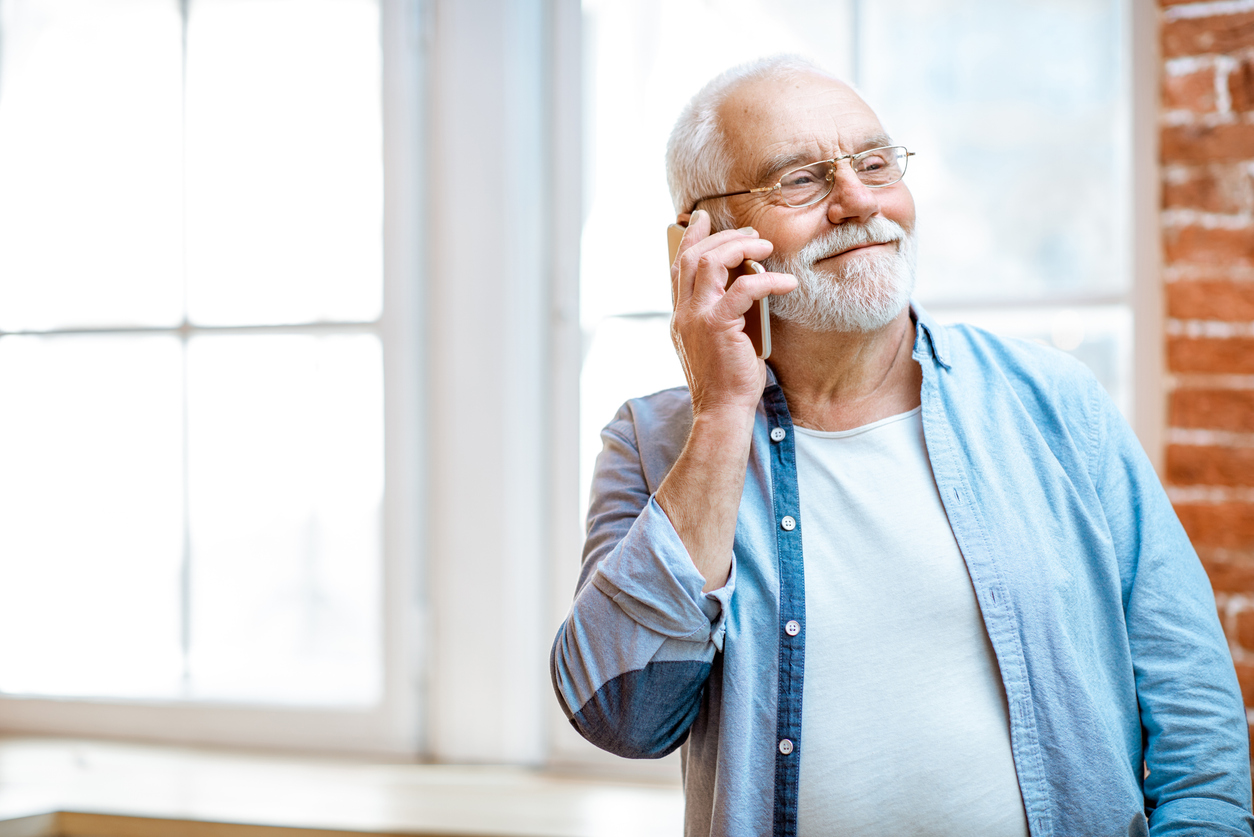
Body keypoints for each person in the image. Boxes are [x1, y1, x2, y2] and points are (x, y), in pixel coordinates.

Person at [549, 55, 1253, 837]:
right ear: (705, 237)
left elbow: (1195, 710)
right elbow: (623, 715)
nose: (857, 201)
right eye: (802, 180)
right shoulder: (653, 444)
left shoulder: (1054, 401)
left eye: (875, 163)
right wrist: (722, 413)